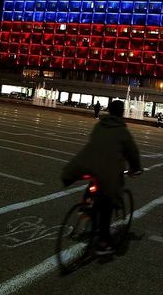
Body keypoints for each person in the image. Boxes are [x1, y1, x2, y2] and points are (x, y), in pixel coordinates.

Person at [61, 100, 142, 255]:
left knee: (93, 183)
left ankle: (85, 205)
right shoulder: (122, 131)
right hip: (108, 173)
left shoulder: (99, 125)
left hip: (90, 165)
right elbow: (132, 153)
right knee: (107, 204)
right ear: (122, 113)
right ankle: (103, 243)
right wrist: (135, 169)